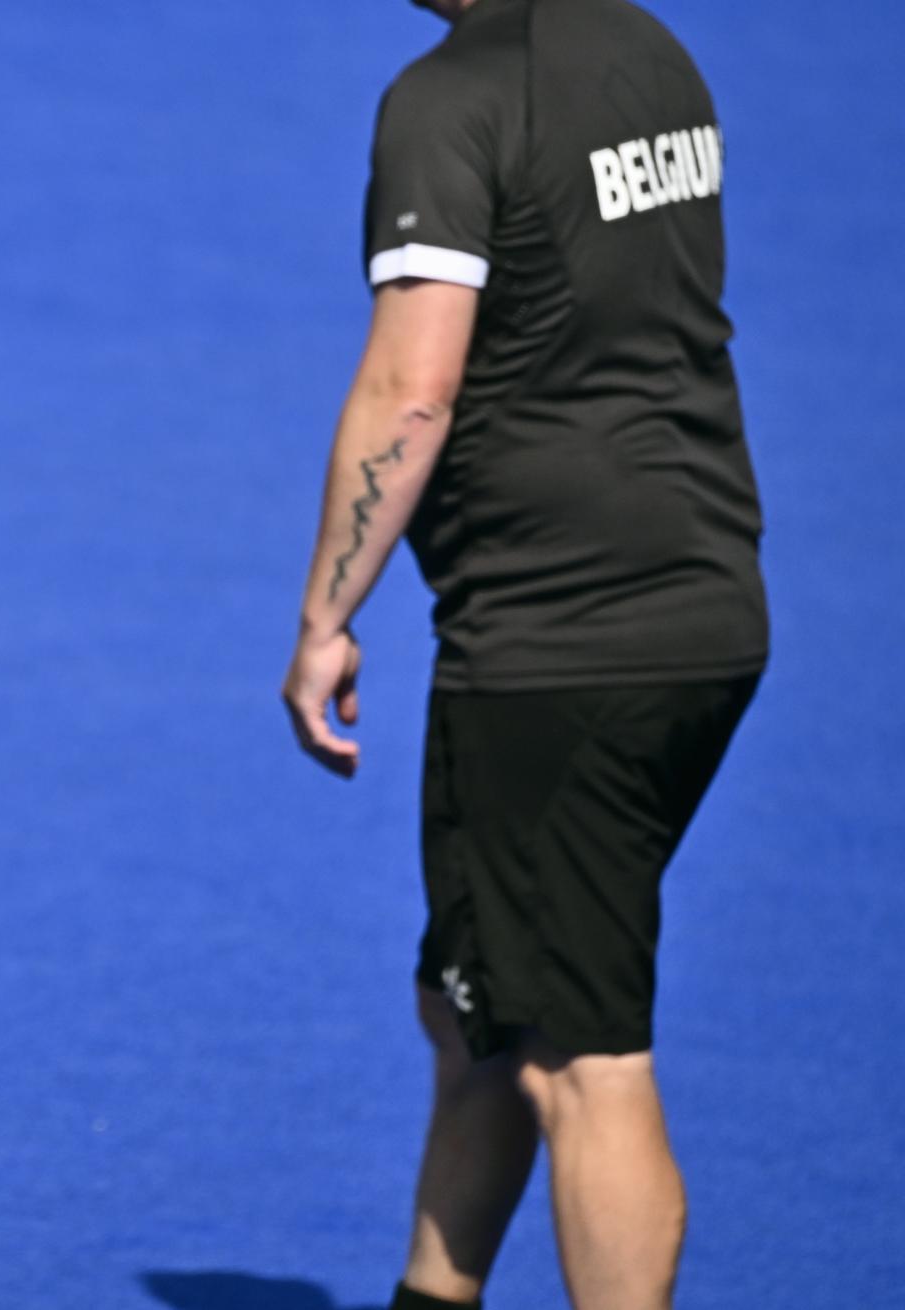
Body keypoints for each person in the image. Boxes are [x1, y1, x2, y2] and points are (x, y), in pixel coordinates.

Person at [279, 2, 768, 1307]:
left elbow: (413, 385)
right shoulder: (655, 53)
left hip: (561, 650)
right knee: (482, 1006)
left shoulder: (448, 99)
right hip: (704, 605)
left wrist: (328, 614)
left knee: (579, 1056)